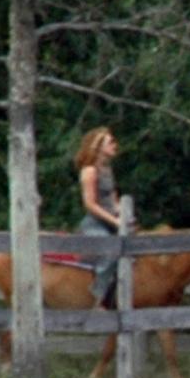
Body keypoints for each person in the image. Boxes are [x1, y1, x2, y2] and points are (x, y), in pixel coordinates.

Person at [73, 128, 126, 307]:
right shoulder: (89, 171)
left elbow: (113, 198)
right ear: (99, 146)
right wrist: (114, 221)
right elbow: (90, 204)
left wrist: (122, 214)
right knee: (110, 250)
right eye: (110, 142)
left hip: (111, 220)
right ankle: (98, 296)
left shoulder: (107, 169)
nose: (114, 145)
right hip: (95, 223)